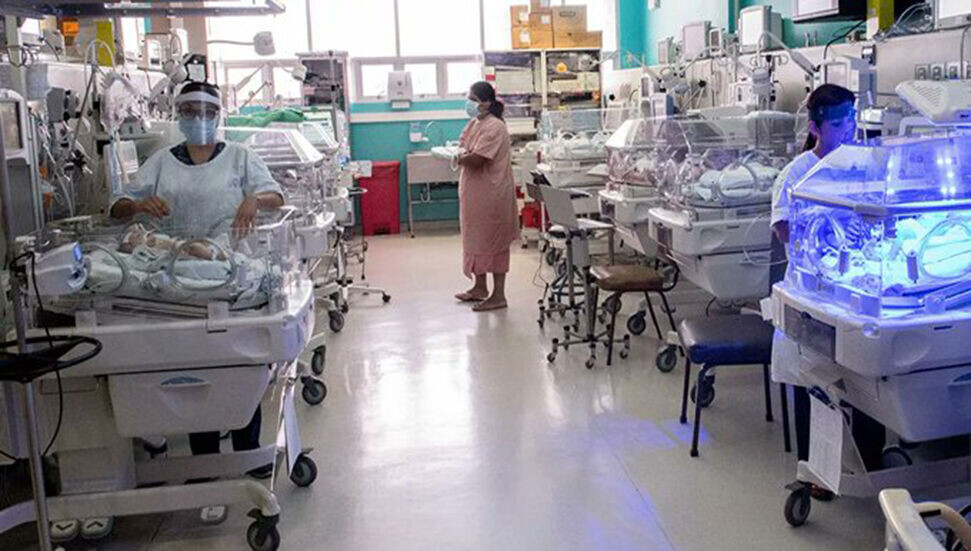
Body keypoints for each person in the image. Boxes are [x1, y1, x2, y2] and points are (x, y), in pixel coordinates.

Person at [110, 81, 283, 522]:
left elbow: (275, 195)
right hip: (178, 275)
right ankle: (204, 462)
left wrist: (253, 198)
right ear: (178, 115)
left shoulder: (239, 156)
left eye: (204, 111)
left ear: (217, 114)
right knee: (194, 366)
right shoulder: (162, 162)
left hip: (230, 270)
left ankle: (247, 451)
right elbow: (118, 206)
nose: (196, 118)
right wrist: (137, 206)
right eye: (187, 110)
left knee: (239, 359)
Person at [769, 84, 886, 497]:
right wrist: (823, 228)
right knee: (816, 383)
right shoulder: (797, 173)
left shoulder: (863, 164)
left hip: (855, 284)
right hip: (813, 290)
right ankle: (816, 471)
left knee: (867, 378)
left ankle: (872, 465)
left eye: (852, 120)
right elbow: (784, 229)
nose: (848, 130)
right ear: (816, 128)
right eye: (839, 124)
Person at [453, 81, 520, 312]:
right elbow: (462, 146)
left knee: (493, 241)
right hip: (475, 195)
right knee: (475, 239)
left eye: (473, 99)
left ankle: (498, 295)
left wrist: (458, 158)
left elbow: (476, 159)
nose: (469, 103)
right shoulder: (475, 123)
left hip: (492, 195)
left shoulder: (495, 127)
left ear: (487, 103)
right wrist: (460, 154)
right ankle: (479, 287)